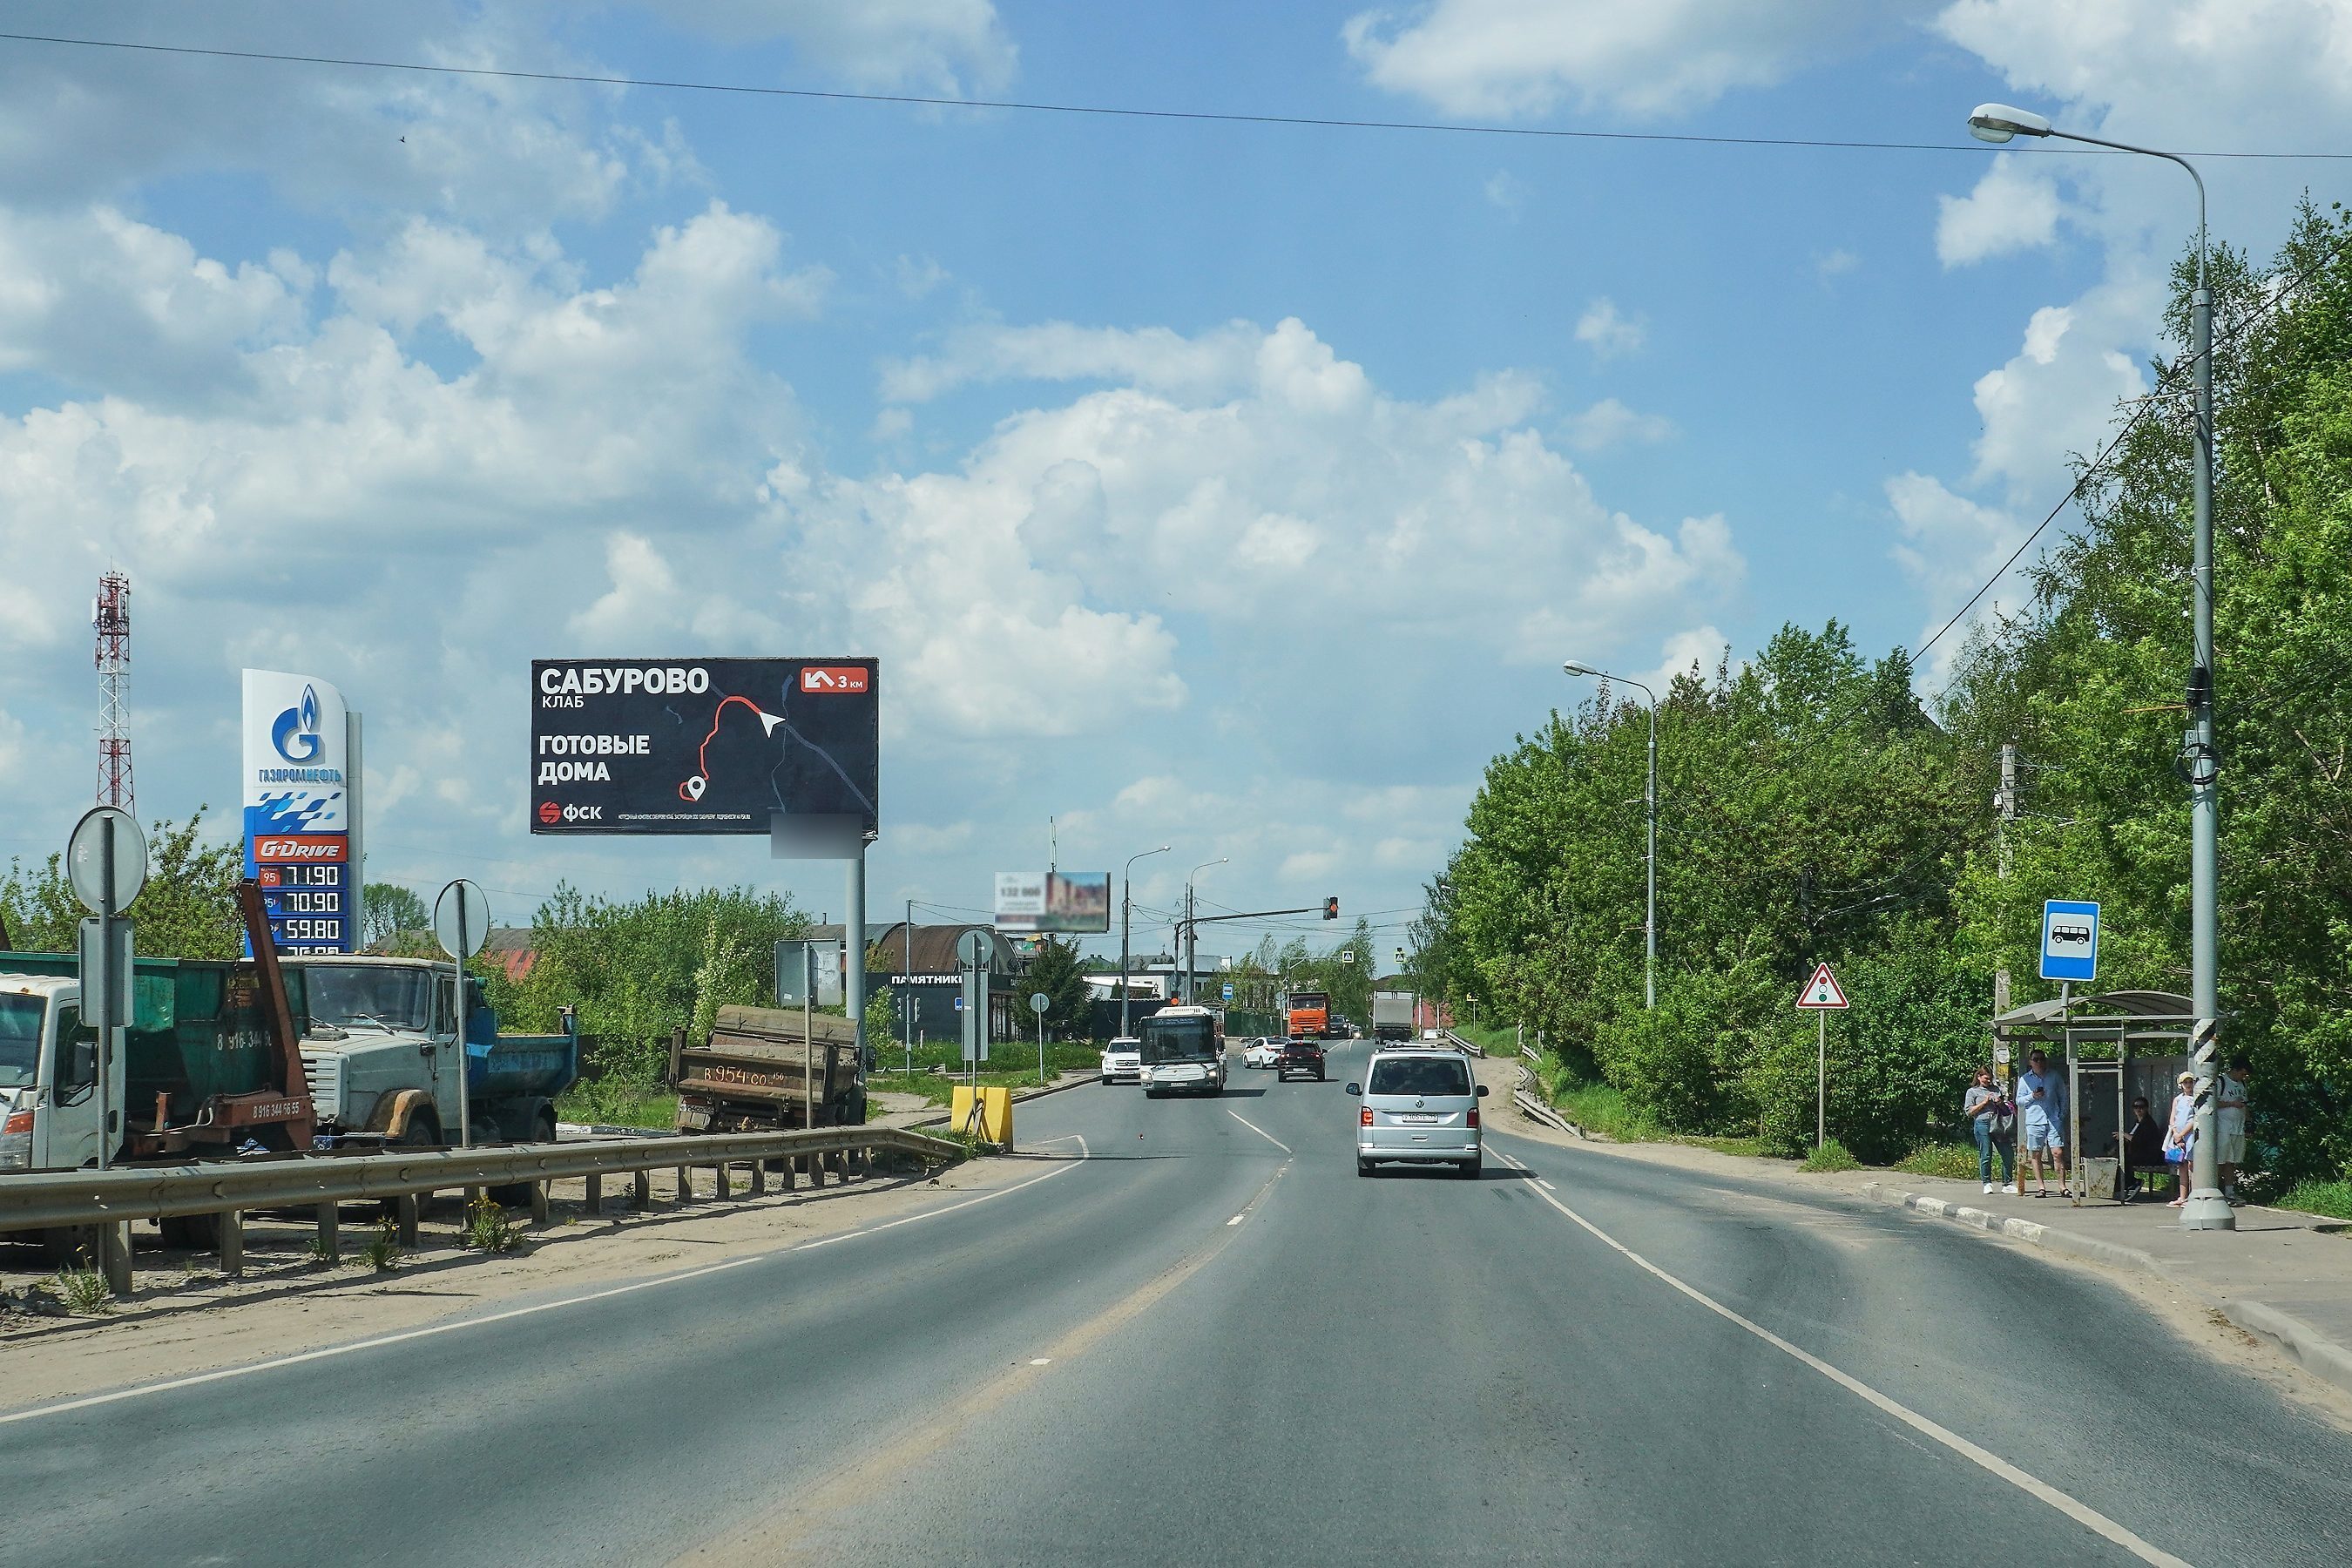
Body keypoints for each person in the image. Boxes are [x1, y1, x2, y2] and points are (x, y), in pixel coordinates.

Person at [2016, 1048, 2068, 1196]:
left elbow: (2063, 1096)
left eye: (2041, 1059)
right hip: (2034, 1120)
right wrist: (2032, 1096)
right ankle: (2041, 1187)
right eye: (2035, 1059)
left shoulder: (2054, 1076)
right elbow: (2019, 1100)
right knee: (2036, 1153)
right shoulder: (2025, 1079)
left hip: (2053, 1119)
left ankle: (2062, 1186)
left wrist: (2061, 1114)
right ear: (2030, 1062)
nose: (2039, 1062)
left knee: (2058, 1152)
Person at [1963, 1065, 2013, 1194]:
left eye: (1990, 1079)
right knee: (1986, 1154)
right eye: (1986, 1078)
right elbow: (1969, 1111)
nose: (1988, 1081)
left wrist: (1999, 1103)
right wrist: (1984, 1103)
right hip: (1982, 1123)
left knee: (2007, 1153)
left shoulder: (1996, 1090)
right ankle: (1987, 1182)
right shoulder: (1972, 1092)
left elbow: (2006, 1111)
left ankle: (2007, 1183)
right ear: (1979, 1077)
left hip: (1997, 1123)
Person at [2216, 1058, 2252, 1204]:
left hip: (2238, 1127)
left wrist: (2249, 1122)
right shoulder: (2221, 1082)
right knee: (2220, 1160)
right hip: (2224, 1127)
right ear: (2235, 1070)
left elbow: (2245, 1104)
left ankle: (2230, 1192)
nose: (2243, 1077)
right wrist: (2232, 1103)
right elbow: (2213, 1102)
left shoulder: (2242, 1084)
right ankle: (2216, 1191)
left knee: (2232, 1161)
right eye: (2242, 1074)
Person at [2163, 1071, 2198, 1207]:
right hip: (2178, 1136)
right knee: (2181, 1165)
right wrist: (2176, 1133)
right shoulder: (2177, 1099)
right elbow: (2173, 1117)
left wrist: (2182, 1133)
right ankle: (2182, 1197)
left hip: (2190, 1135)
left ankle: (2193, 1196)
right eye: (2185, 1082)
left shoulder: (2196, 1099)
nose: (2188, 1085)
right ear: (2181, 1084)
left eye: (2190, 1082)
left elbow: (2195, 1119)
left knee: (2191, 1164)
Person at [2120, 1095, 2166, 1200]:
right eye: (2136, 1107)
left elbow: (2139, 1141)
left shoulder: (2148, 1124)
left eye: (2142, 1107)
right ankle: (2127, 1184)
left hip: (2148, 1156)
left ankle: (2133, 1182)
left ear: (2146, 1108)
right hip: (2138, 1153)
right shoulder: (2138, 1123)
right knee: (2117, 1156)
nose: (2139, 1109)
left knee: (2124, 1159)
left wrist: (2124, 1135)